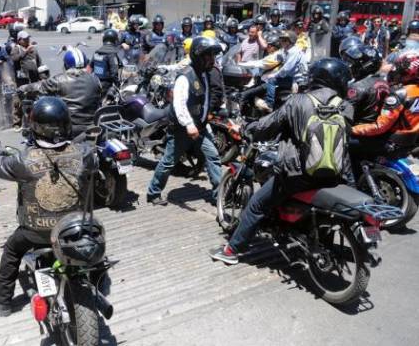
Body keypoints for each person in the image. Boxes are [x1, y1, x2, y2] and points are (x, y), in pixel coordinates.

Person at [210, 58, 354, 265]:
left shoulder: (298, 101)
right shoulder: (346, 107)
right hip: (337, 173)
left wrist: (243, 130)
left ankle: (232, 250)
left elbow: (266, 126)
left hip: (300, 175)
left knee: (256, 205)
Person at [0, 96, 96, 316]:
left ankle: (4, 302)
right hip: (73, 229)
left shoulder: (22, 160)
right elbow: (94, 165)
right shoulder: (83, 153)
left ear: (35, 126)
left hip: (35, 233)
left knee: (11, 251)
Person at [146, 37, 224, 206]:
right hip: (182, 130)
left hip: (200, 128)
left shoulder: (205, 75)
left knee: (213, 158)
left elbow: (205, 101)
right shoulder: (185, 76)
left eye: (213, 55)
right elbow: (179, 104)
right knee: (168, 162)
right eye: (208, 55)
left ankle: (219, 194)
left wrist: (206, 119)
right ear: (198, 55)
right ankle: (153, 193)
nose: (212, 59)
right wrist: (189, 125)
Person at [18, 47, 102, 138]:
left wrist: (22, 88)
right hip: (92, 125)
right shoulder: (95, 79)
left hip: (69, 126)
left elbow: (39, 87)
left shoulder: (59, 80)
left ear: (66, 65)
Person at [351, 51, 419, 159]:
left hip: (390, 144)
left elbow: (380, 126)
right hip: (410, 143)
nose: (395, 73)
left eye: (399, 71)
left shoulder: (400, 94)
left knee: (348, 143)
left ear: (408, 73)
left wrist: (352, 129)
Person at [259, 30, 308, 112]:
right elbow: (277, 56)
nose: (282, 42)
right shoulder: (287, 51)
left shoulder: (294, 51)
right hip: (293, 78)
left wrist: (275, 75)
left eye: (285, 40)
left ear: (291, 41)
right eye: (281, 39)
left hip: (297, 80)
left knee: (271, 80)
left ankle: (269, 104)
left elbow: (286, 69)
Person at [340, 43, 387, 126]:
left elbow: (343, 116)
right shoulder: (385, 82)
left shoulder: (357, 87)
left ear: (367, 65)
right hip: (375, 129)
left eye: (353, 63)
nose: (350, 66)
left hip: (358, 131)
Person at [91, 29, 121, 94]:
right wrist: (118, 83)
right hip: (106, 85)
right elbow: (114, 72)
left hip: (95, 83)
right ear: (114, 40)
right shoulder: (112, 54)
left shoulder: (97, 52)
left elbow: (90, 67)